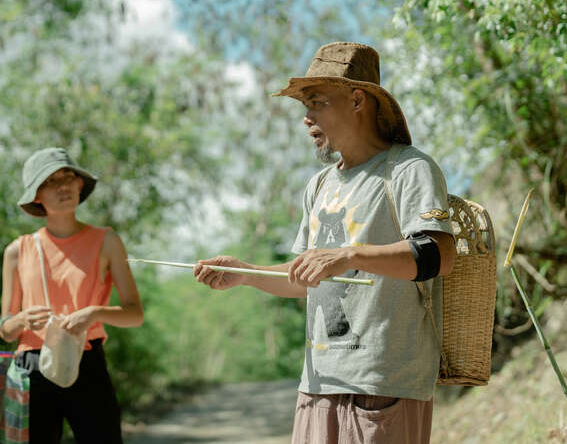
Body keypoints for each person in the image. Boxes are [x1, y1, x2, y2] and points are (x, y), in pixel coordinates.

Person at [194, 42, 457, 444]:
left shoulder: (408, 169)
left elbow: (437, 254)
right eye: (305, 106)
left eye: (316, 102)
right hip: (317, 385)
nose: (306, 118)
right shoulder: (319, 185)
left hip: (382, 387)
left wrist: (349, 255)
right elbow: (306, 277)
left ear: (357, 100)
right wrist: (245, 273)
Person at [0, 147, 144, 443]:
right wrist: (24, 318)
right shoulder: (17, 250)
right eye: (51, 181)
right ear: (36, 195)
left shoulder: (107, 241)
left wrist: (94, 313)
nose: (63, 186)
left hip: (86, 360)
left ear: (80, 185)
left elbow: (134, 314)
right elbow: (6, 330)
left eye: (68, 176)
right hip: (32, 367)